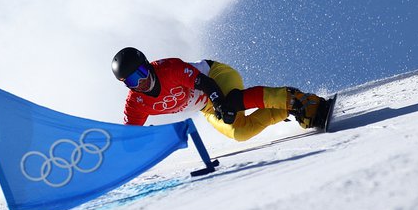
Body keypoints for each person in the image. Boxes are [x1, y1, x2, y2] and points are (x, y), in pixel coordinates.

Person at [111, 47, 328, 142]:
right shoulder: (135, 104)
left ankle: (296, 99)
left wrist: (219, 102)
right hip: (205, 107)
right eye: (132, 81)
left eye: (141, 73)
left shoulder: (168, 69)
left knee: (230, 104)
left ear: (148, 65)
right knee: (239, 133)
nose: (141, 82)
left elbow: (205, 82)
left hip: (216, 77)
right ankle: (285, 110)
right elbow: (129, 139)